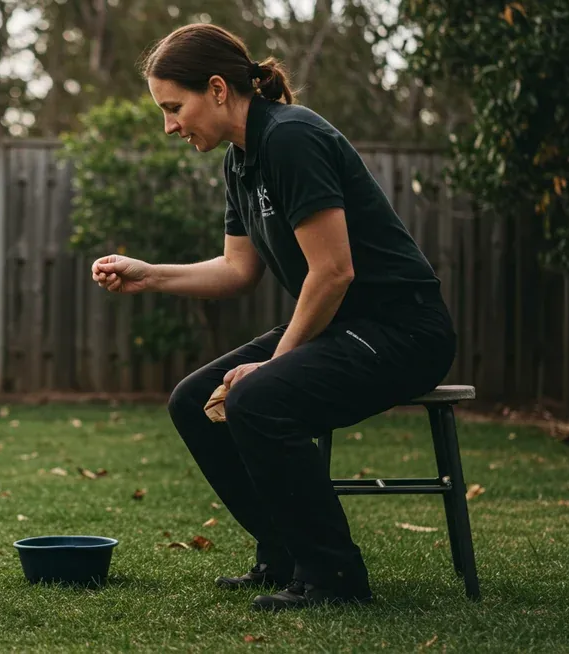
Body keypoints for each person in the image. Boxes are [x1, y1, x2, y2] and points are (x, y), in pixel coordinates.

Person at [91, 23, 457, 612]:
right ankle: (283, 551)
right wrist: (149, 273)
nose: (170, 125)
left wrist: (274, 364)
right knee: (193, 399)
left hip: (403, 331)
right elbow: (239, 270)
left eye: (173, 107)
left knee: (257, 400)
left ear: (216, 88)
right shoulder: (240, 161)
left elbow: (333, 271)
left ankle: (335, 577)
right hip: (346, 327)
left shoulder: (291, 138)